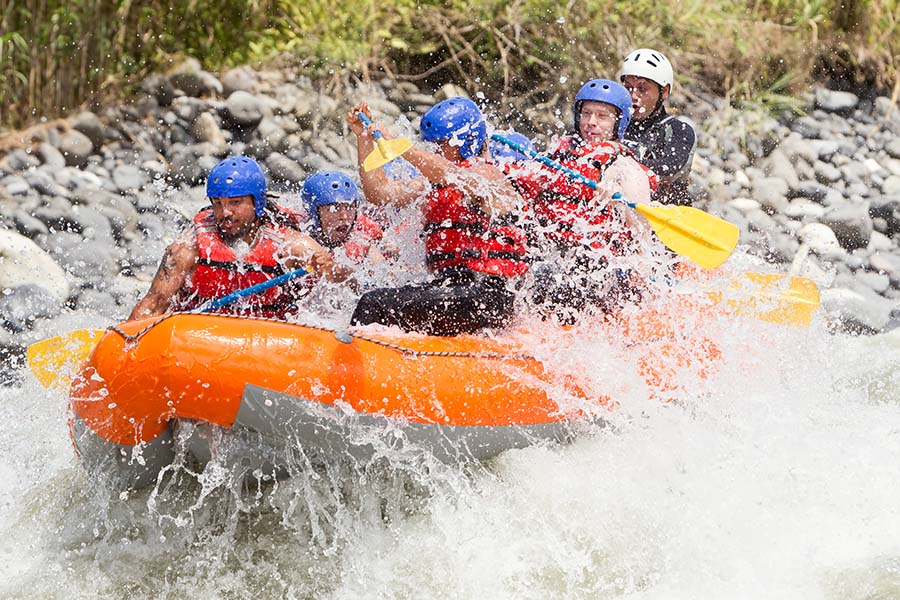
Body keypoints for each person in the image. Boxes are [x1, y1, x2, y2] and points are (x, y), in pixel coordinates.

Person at [345, 97, 528, 336]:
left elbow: (450, 174)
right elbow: (379, 193)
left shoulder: (488, 175)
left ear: (466, 141)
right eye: (433, 145)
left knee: (374, 304)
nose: (436, 150)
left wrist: (399, 145)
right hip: (453, 292)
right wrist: (364, 141)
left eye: (442, 144)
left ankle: (353, 367)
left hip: (488, 294)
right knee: (385, 299)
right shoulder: (430, 184)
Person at [129, 156, 348, 320]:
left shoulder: (291, 245)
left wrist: (329, 268)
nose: (225, 213)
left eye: (235, 203)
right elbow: (152, 305)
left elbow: (345, 281)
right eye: (218, 203)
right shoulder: (188, 248)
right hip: (197, 339)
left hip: (268, 343)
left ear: (257, 203)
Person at [516, 79, 658, 321]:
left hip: (598, 270)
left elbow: (642, 237)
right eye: (586, 114)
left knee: (547, 278)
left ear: (618, 122)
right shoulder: (556, 155)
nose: (591, 122)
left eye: (602, 116)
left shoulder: (624, 168)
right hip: (550, 256)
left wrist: (618, 198)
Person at [620, 48, 697, 206]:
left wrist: (617, 164)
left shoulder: (679, 130)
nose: (633, 95)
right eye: (628, 87)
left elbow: (670, 166)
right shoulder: (614, 123)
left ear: (664, 92)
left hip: (665, 214)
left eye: (642, 89)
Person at [301, 170, 390, 266]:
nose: (344, 216)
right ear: (314, 213)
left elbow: (382, 271)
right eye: (334, 208)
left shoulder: (363, 234)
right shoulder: (300, 244)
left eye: (349, 207)